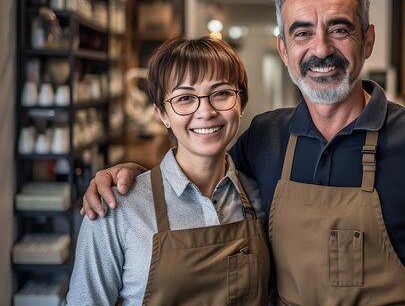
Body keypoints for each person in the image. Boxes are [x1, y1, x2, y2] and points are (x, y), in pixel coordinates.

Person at [82, 0, 405, 305]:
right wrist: (135, 178)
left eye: (339, 29)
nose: (320, 49)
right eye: (302, 32)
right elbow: (200, 166)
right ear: (284, 49)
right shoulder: (266, 137)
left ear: (368, 40)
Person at [67, 36, 270, 305]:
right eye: (185, 98)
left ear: (240, 104)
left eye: (221, 93)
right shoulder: (117, 209)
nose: (205, 111)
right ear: (162, 114)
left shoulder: (261, 198)